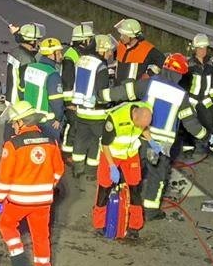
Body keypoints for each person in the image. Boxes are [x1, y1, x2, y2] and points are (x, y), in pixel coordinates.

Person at [0, 101, 64, 266]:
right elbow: (58, 170)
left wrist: (0, 199)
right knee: (41, 236)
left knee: (6, 225)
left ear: (21, 122)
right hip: (43, 201)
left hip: (19, 200)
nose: (12, 125)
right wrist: (47, 187)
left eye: (14, 122)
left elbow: (5, 177)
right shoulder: (51, 141)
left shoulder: (13, 145)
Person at [138, 53, 207, 217]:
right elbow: (190, 123)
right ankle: (150, 210)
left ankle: (127, 202)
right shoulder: (181, 94)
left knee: (134, 170)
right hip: (162, 146)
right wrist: (206, 136)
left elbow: (125, 91)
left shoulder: (150, 83)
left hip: (142, 137)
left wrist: (101, 96)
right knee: (157, 177)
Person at [93, 102, 149, 242]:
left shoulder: (143, 110)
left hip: (130, 154)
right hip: (111, 154)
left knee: (134, 188)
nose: (140, 128)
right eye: (139, 124)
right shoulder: (115, 118)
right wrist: (112, 166)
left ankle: (135, 226)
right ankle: (99, 224)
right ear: (134, 115)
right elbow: (105, 145)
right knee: (104, 187)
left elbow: (144, 128)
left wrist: (152, 141)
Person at [63, 31, 113, 177]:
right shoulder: (101, 67)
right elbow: (102, 93)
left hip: (81, 111)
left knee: (80, 140)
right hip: (96, 113)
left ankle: (77, 169)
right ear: (102, 50)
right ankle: (91, 172)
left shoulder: (82, 60)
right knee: (95, 143)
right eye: (109, 50)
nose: (110, 54)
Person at [185, 34, 213, 147]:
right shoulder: (189, 65)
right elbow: (185, 84)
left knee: (211, 124)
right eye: (200, 48)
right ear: (195, 49)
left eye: (205, 48)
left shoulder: (210, 66)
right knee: (189, 125)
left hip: (206, 101)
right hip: (191, 101)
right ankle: (188, 148)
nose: (202, 51)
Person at [112, 18, 164, 83]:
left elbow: (162, 60)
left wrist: (149, 74)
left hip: (133, 89)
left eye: (124, 35)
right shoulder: (121, 44)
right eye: (121, 34)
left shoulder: (146, 49)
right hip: (117, 86)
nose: (121, 37)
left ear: (132, 36)